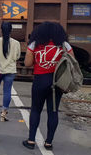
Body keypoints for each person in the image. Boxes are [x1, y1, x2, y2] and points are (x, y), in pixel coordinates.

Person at [22, 22, 73, 150]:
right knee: (53, 111)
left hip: (40, 80)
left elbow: (27, 63)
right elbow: (72, 62)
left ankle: (31, 140)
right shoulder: (64, 44)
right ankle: (49, 142)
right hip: (57, 82)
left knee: (35, 110)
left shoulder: (35, 44)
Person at [0, 22, 21, 122]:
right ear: (11, 30)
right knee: (7, 91)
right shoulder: (16, 43)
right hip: (10, 70)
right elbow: (17, 57)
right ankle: (3, 113)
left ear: (1, 30)